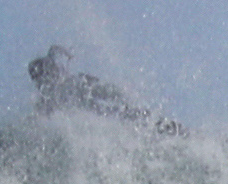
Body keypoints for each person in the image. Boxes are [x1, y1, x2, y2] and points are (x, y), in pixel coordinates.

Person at [26, 46, 184, 133]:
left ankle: (168, 127)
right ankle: (169, 127)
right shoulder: (59, 90)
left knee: (129, 113)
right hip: (98, 112)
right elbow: (53, 51)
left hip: (97, 108)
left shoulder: (60, 89)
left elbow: (53, 52)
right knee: (129, 114)